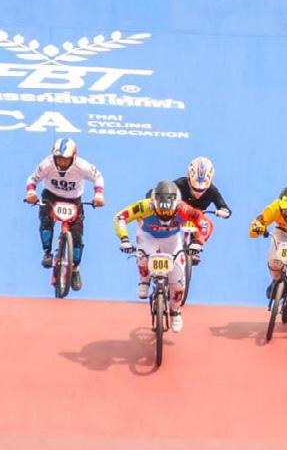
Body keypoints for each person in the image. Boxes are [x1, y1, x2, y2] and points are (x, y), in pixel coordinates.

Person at [114, 180, 208, 333]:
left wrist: (198, 242)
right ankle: (144, 281)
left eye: (168, 213)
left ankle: (175, 312)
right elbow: (120, 217)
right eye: (161, 213)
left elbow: (203, 222)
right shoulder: (144, 206)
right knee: (143, 256)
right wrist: (124, 239)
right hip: (148, 236)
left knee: (178, 283)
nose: (164, 218)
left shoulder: (183, 208)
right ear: (154, 204)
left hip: (172, 240)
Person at [24, 137, 105, 292]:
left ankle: (75, 269)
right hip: (51, 196)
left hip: (74, 199)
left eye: (65, 160)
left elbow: (98, 177)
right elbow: (32, 179)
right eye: (58, 159)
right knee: (46, 220)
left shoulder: (82, 166)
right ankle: (47, 252)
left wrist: (99, 195)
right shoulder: (47, 164)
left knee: (77, 235)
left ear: (73, 157)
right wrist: (31, 193)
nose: (61, 163)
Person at [171, 156, 231, 250]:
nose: (198, 193)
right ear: (188, 178)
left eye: (202, 190)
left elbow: (224, 207)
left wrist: (224, 212)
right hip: (178, 214)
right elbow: (162, 191)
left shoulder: (212, 191)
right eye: (194, 188)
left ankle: (195, 245)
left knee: (206, 225)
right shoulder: (179, 184)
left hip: (197, 218)